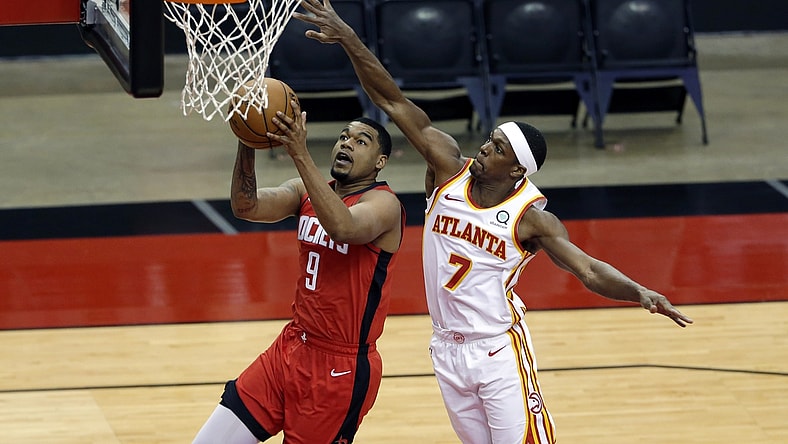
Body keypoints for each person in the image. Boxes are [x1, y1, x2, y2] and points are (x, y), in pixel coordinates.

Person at [294, 2, 694, 443]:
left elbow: (588, 269)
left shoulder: (532, 220)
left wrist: (638, 291)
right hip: (445, 349)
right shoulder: (447, 166)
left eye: (498, 147)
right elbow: (391, 99)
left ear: (517, 170)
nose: (485, 148)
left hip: (497, 350)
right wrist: (350, 39)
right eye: (490, 139)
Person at [192, 96, 405, 443]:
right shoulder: (304, 191)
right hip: (291, 346)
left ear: (380, 161)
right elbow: (246, 206)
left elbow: (344, 228)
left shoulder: (384, 205)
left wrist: (299, 152)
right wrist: (248, 138)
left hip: (341, 367)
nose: (346, 144)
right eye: (343, 136)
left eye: (360, 141)